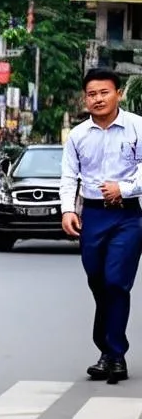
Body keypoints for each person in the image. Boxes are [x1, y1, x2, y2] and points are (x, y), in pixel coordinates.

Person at [60, 68, 142, 384]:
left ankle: (114, 354)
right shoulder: (78, 136)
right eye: (92, 94)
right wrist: (68, 210)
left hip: (128, 215)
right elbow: (69, 176)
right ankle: (107, 348)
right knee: (97, 281)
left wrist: (126, 189)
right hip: (92, 215)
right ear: (86, 98)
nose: (98, 99)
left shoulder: (136, 127)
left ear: (117, 93)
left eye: (104, 92)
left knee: (116, 282)